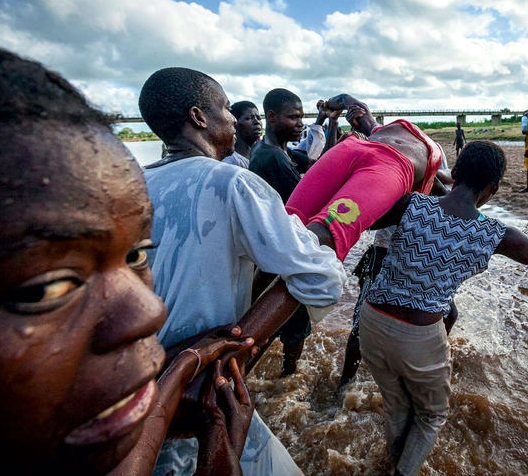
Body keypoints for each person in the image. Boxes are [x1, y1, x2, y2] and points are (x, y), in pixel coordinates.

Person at [0, 46, 255, 476]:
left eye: (137, 254)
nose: (151, 311)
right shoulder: (231, 180)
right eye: (49, 288)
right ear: (200, 117)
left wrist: (183, 367)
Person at [360, 140, 528, 476]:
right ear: (494, 188)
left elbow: (363, 215)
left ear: (455, 172)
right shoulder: (494, 234)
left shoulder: (411, 205)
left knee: (396, 404)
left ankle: (389, 460)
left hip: (371, 322)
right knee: (431, 415)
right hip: (418, 337)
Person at [138, 68, 347, 476]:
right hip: (200, 394)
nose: (234, 118)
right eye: (225, 108)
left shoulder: (132, 185)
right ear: (199, 117)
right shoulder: (232, 183)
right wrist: (236, 347)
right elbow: (321, 277)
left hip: (129, 404)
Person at [285, 94, 445, 263]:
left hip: (352, 147)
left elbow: (345, 98)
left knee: (288, 222)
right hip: (391, 164)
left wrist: (327, 107)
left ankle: (258, 285)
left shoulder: (378, 128)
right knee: (330, 231)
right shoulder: (428, 153)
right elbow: (444, 188)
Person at [339, 156, 455, 388]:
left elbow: (449, 191)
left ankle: (419, 362)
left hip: (420, 256)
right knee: (361, 327)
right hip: (385, 253)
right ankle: (344, 383)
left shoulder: (429, 170)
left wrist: (434, 177)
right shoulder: (395, 175)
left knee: (449, 314)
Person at [248, 88, 315, 377]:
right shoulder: (273, 159)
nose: (300, 123)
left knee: (266, 320)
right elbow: (308, 201)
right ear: (272, 116)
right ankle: (288, 378)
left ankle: (259, 378)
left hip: (268, 253)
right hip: (281, 255)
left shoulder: (271, 150)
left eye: (302, 117)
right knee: (290, 322)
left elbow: (314, 166)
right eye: (294, 117)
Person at [223, 100, 262, 169]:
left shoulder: (264, 155)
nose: (257, 122)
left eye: (258, 118)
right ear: (235, 123)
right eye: (248, 118)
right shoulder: (230, 163)